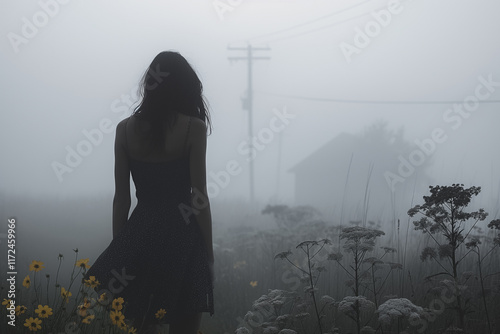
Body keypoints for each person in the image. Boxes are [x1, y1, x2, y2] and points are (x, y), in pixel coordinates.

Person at [84, 51, 214, 334]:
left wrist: (122, 250)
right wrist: (210, 254)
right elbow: (198, 197)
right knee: (185, 326)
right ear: (186, 87)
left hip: (140, 235)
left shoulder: (124, 130)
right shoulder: (194, 128)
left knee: (142, 325)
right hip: (183, 237)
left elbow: (122, 199)